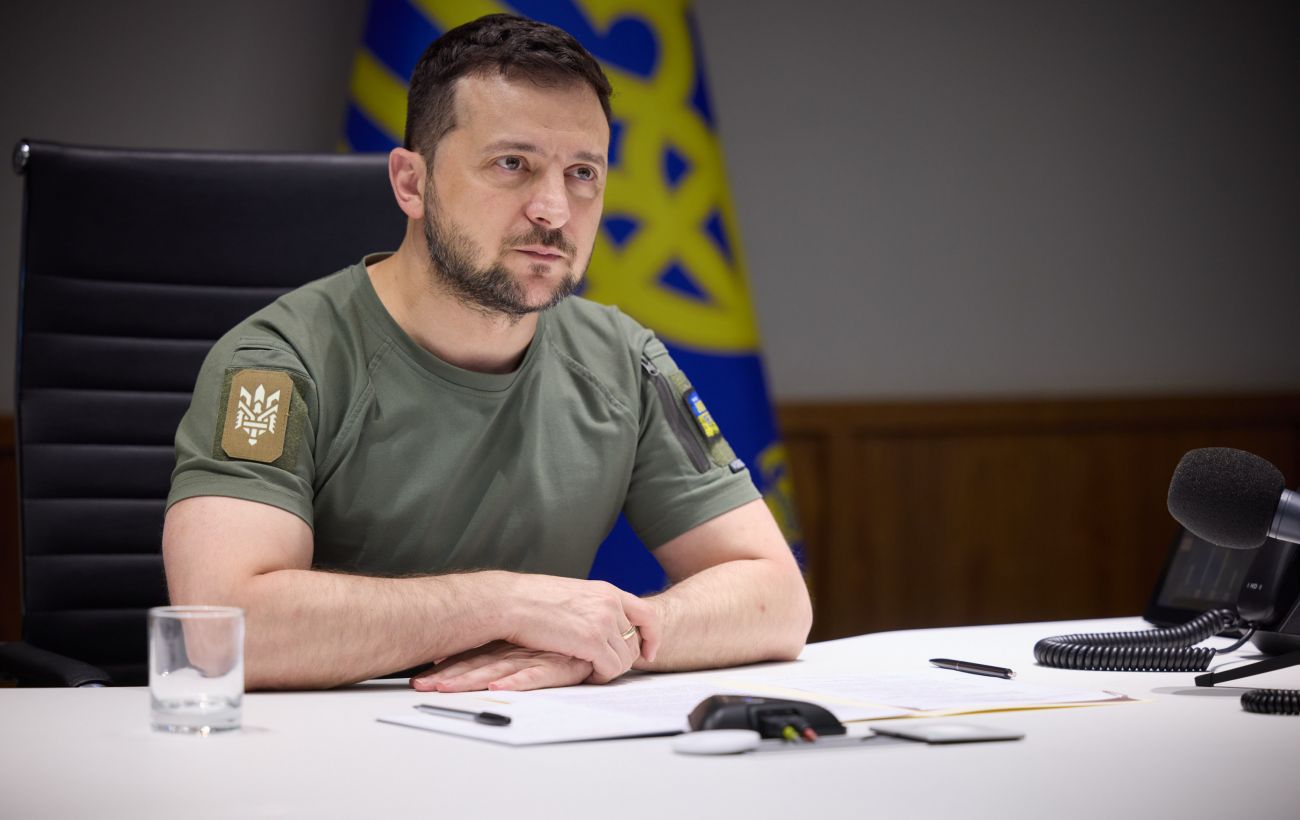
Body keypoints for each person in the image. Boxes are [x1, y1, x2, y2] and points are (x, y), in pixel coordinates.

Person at [162, 13, 811, 692]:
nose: (553, 209)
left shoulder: (622, 358)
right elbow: (220, 629)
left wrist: (609, 639)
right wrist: (505, 605)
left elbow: (777, 597)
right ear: (411, 183)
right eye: (512, 164)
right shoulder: (277, 363)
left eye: (582, 172)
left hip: (522, 735)